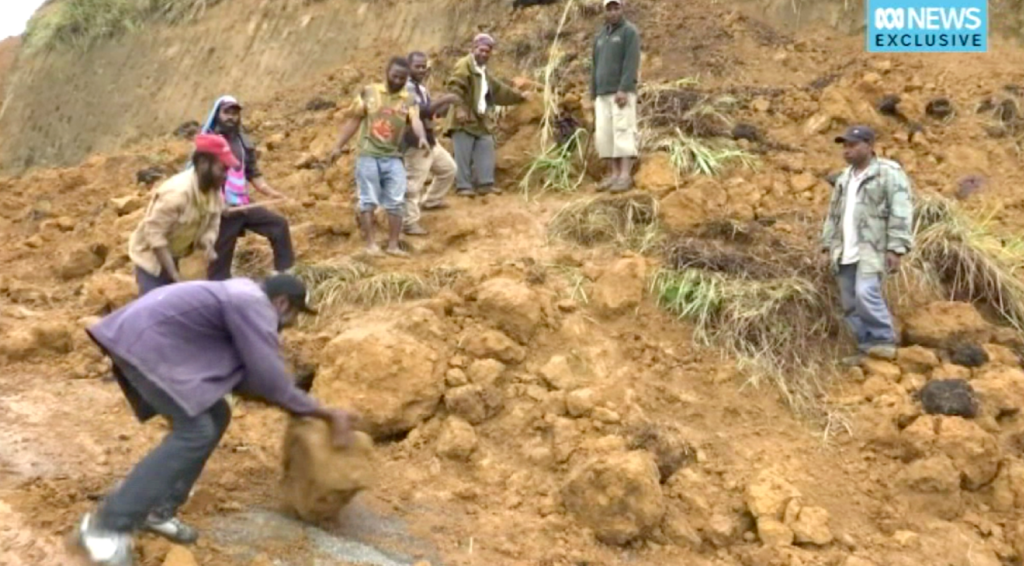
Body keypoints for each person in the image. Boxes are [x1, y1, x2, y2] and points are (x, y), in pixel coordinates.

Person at [74, 274, 355, 566]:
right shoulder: (253, 303)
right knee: (194, 432)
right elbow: (269, 380)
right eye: (295, 314)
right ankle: (105, 528)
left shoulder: (242, 299)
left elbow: (250, 382)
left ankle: (158, 510)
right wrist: (324, 413)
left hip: (149, 341)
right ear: (282, 303)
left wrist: (300, 408)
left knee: (217, 414)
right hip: (147, 344)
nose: (294, 323)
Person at [821, 125, 914, 365]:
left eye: (852, 145)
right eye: (844, 146)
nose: (847, 151)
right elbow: (834, 214)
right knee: (850, 304)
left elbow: (901, 211)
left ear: (869, 146)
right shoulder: (844, 178)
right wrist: (827, 245)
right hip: (845, 251)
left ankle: (884, 340)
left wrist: (896, 247)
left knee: (866, 292)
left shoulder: (889, 173)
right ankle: (867, 347)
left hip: (872, 249)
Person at [328, 57, 430, 257]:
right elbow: (354, 120)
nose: (398, 81)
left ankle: (393, 245)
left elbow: (415, 121)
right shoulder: (369, 92)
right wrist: (337, 146)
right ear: (387, 73)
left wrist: (423, 138)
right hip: (368, 155)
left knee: (396, 200)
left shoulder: (409, 98)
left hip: (393, 156)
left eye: (402, 78)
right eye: (395, 76)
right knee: (368, 200)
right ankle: (371, 245)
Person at [200, 95, 296, 280]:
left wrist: (272, 192)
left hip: (241, 204)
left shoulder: (243, 141)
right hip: (220, 211)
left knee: (278, 225)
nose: (231, 117)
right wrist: (218, 203)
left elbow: (252, 174)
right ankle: (217, 293)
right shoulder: (209, 143)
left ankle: (284, 277)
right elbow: (203, 180)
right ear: (217, 114)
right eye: (226, 112)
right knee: (219, 265)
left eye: (235, 113)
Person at [128, 134, 235, 295]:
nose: (225, 175)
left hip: (180, 255)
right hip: (153, 261)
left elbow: (213, 221)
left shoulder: (214, 192)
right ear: (203, 163)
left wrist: (207, 243)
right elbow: (155, 237)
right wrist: (174, 276)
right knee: (155, 305)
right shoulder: (176, 194)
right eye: (222, 169)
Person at [444, 33, 528, 198]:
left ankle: (485, 184)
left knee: (486, 144)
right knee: (463, 153)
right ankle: (463, 186)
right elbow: (455, 86)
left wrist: (519, 97)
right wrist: (460, 109)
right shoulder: (464, 65)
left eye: (487, 51)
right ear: (473, 49)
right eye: (481, 50)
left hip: (478, 118)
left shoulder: (483, 72)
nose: (484, 54)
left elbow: (499, 91)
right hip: (463, 117)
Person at [401, 51, 460, 236]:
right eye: (417, 66)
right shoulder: (406, 88)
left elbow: (431, 113)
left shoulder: (421, 88)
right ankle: (408, 223)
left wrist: (443, 107)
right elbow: (420, 112)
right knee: (413, 185)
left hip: (429, 139)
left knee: (448, 169)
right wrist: (446, 99)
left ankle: (431, 201)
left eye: (423, 66)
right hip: (415, 142)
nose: (421, 69)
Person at [591, 0, 641, 193]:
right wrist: (593, 92)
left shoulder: (629, 32)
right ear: (604, 11)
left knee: (623, 131)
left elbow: (631, 62)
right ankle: (612, 175)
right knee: (605, 135)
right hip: (602, 94)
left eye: (616, 8)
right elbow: (595, 66)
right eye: (609, 9)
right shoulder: (600, 36)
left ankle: (624, 176)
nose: (612, 12)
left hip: (621, 93)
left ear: (622, 8)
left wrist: (624, 88)